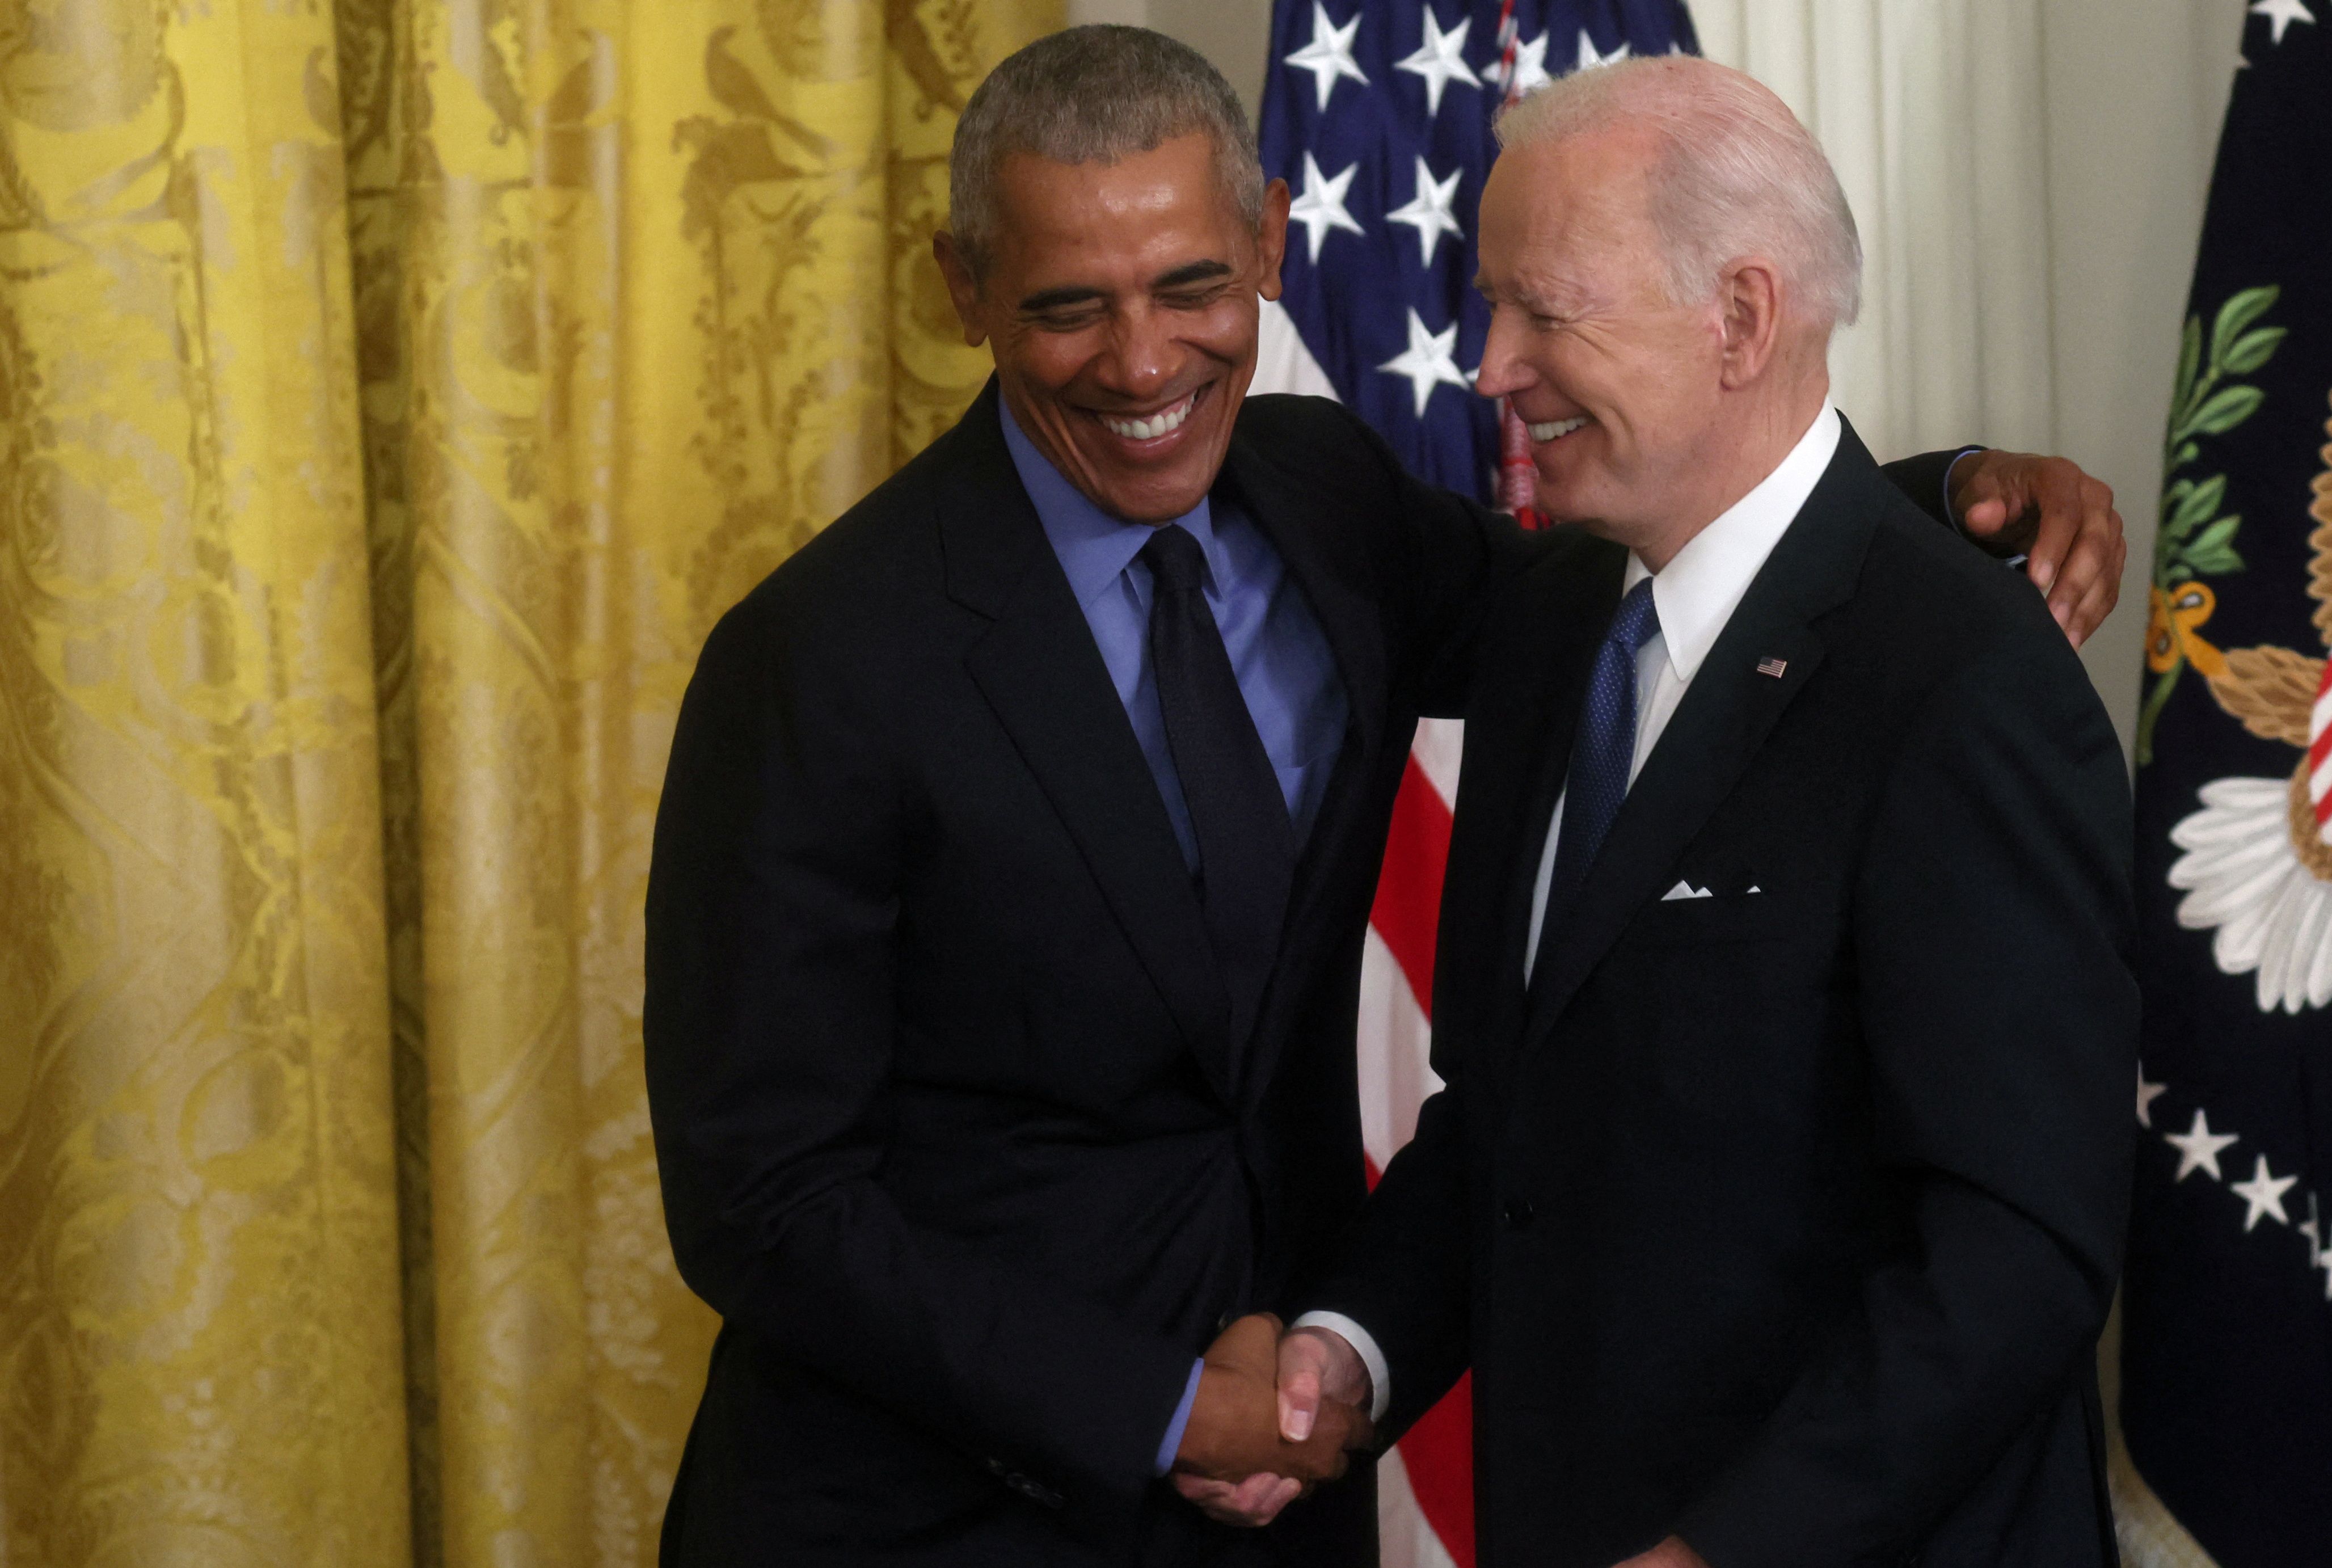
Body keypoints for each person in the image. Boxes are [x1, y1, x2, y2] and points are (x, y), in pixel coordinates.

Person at [641, 26, 2126, 1567]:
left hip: (1295, 1500)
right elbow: (760, 1193)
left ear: (1270, 246)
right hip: (932, 1512)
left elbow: (1752, 572)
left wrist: (1946, 501)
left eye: (1192, 290)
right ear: (968, 292)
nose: (1144, 362)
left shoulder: (1324, 501)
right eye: (1071, 306)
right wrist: (1151, 1402)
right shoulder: (816, 659)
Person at [1273, 57, 2140, 1568]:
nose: (1492, 364)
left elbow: (2016, 1249)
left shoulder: (1961, 678)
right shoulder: (1550, 625)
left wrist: (1724, 1551)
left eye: (1546, 309)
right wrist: (1354, 1341)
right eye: (1497, 307)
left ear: (1740, 317)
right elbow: (1510, 1118)